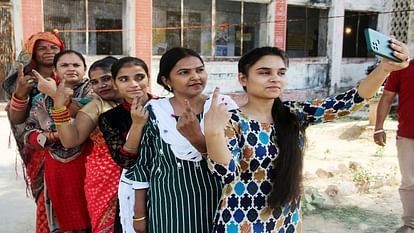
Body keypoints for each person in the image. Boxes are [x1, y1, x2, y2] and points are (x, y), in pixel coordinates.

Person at [204, 43, 410, 232]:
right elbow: (227, 173)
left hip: (285, 219)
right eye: (264, 72)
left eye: (281, 72)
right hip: (239, 220)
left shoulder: (295, 114)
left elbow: (349, 102)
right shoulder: (231, 120)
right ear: (243, 78)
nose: (275, 78)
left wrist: (384, 69)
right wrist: (213, 133)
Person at [123, 47, 238, 233]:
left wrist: (196, 138)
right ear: (166, 80)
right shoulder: (155, 112)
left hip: (218, 204)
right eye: (184, 72)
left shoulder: (222, 108)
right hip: (168, 210)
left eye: (199, 70)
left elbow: (234, 163)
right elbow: (143, 166)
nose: (195, 77)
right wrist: (139, 214)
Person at [24, 50, 94, 232]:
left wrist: (55, 94)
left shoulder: (95, 91)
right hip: (57, 169)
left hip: (89, 167)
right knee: (64, 222)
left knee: (94, 219)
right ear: (54, 70)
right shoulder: (40, 99)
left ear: (84, 69)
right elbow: (29, 132)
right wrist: (50, 137)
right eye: (64, 65)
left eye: (76, 65)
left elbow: (81, 112)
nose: (71, 68)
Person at [51, 56, 123, 232]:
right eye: (95, 82)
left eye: (107, 78)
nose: (101, 85)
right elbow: (70, 140)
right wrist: (59, 105)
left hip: (141, 174)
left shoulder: (150, 102)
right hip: (104, 177)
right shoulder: (96, 106)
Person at [2, 31, 64, 233]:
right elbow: (17, 120)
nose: (48, 52)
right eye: (42, 48)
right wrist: (21, 92)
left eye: (53, 47)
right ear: (31, 52)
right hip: (41, 152)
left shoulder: (69, 74)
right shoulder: (24, 81)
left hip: (74, 146)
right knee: (47, 201)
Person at [98, 57, 156, 233]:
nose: (133, 84)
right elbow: (124, 161)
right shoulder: (110, 118)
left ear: (148, 78)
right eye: (124, 79)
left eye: (139, 77)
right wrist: (137, 125)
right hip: (133, 188)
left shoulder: (165, 107)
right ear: (115, 84)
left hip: (168, 185)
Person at [374, 59, 414, 233]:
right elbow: (387, 97)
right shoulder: (403, 67)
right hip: (408, 135)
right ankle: (410, 223)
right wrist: (378, 128)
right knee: (409, 182)